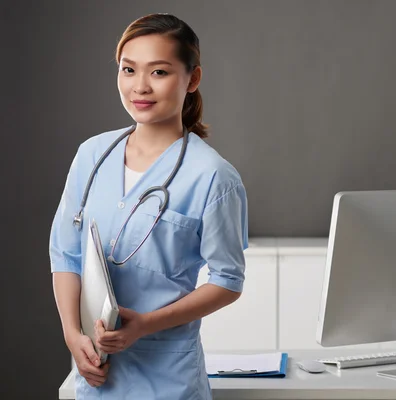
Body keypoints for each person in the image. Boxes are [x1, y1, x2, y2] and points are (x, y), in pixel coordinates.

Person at [49, 13, 248, 399]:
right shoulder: (92, 156)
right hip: (97, 377)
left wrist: (145, 324)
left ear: (192, 79)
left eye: (159, 72)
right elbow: (65, 253)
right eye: (128, 70)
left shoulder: (212, 176)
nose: (140, 86)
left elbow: (227, 281)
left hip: (168, 380)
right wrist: (72, 335)